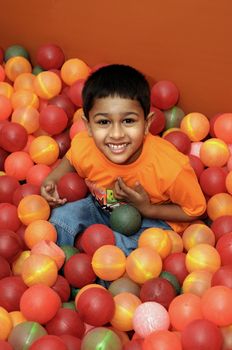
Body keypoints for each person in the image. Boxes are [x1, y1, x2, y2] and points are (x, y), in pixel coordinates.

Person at [41, 64, 206, 256]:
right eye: (103, 122)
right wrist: (51, 182)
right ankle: (56, 266)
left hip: (152, 221)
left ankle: (94, 269)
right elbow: (70, 161)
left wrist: (148, 209)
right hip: (99, 207)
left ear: (147, 124)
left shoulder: (170, 167)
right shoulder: (85, 146)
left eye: (128, 121)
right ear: (88, 126)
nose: (117, 134)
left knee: (125, 251)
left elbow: (194, 210)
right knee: (61, 218)